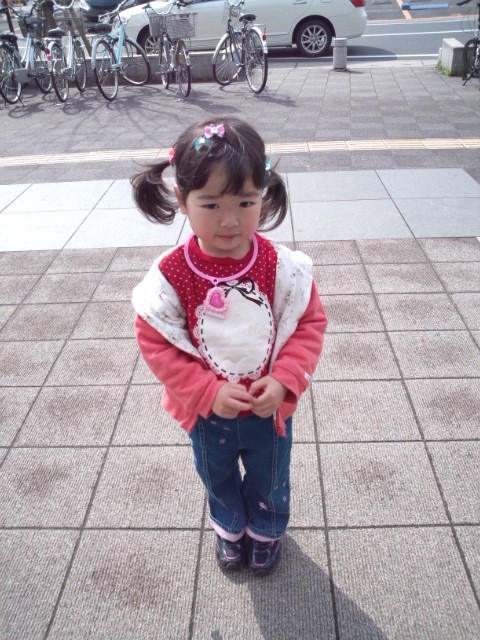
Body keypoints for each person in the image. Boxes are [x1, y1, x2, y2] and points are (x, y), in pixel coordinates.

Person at [131, 117, 327, 576]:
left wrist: (284, 380)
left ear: (264, 195)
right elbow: (155, 340)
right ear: (182, 199)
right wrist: (206, 391)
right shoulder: (171, 274)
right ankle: (230, 528)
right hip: (207, 414)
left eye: (245, 202)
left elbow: (309, 323)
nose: (230, 220)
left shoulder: (281, 267)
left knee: (271, 476)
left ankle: (266, 530)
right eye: (211, 204)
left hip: (267, 409)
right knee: (215, 475)